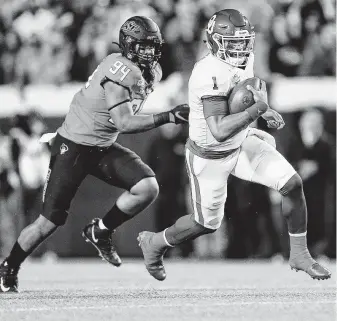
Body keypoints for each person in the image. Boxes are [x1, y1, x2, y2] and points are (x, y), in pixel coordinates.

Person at [137, 9, 331, 281]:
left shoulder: (245, 59)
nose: (240, 48)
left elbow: (242, 95)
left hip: (240, 143)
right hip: (210, 155)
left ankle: (299, 254)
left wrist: (263, 111)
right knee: (204, 224)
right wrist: (257, 110)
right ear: (215, 41)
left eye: (243, 42)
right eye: (233, 43)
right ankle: (155, 242)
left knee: (292, 183)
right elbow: (217, 130)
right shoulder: (207, 72)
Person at [0, 16, 189, 293]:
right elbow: (124, 122)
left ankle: (100, 230)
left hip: (101, 145)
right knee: (48, 222)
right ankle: (9, 266)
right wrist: (168, 117)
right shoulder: (120, 69)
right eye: (143, 47)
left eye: (153, 47)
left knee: (147, 187)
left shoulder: (152, 71)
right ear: (128, 46)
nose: (150, 53)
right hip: (74, 145)